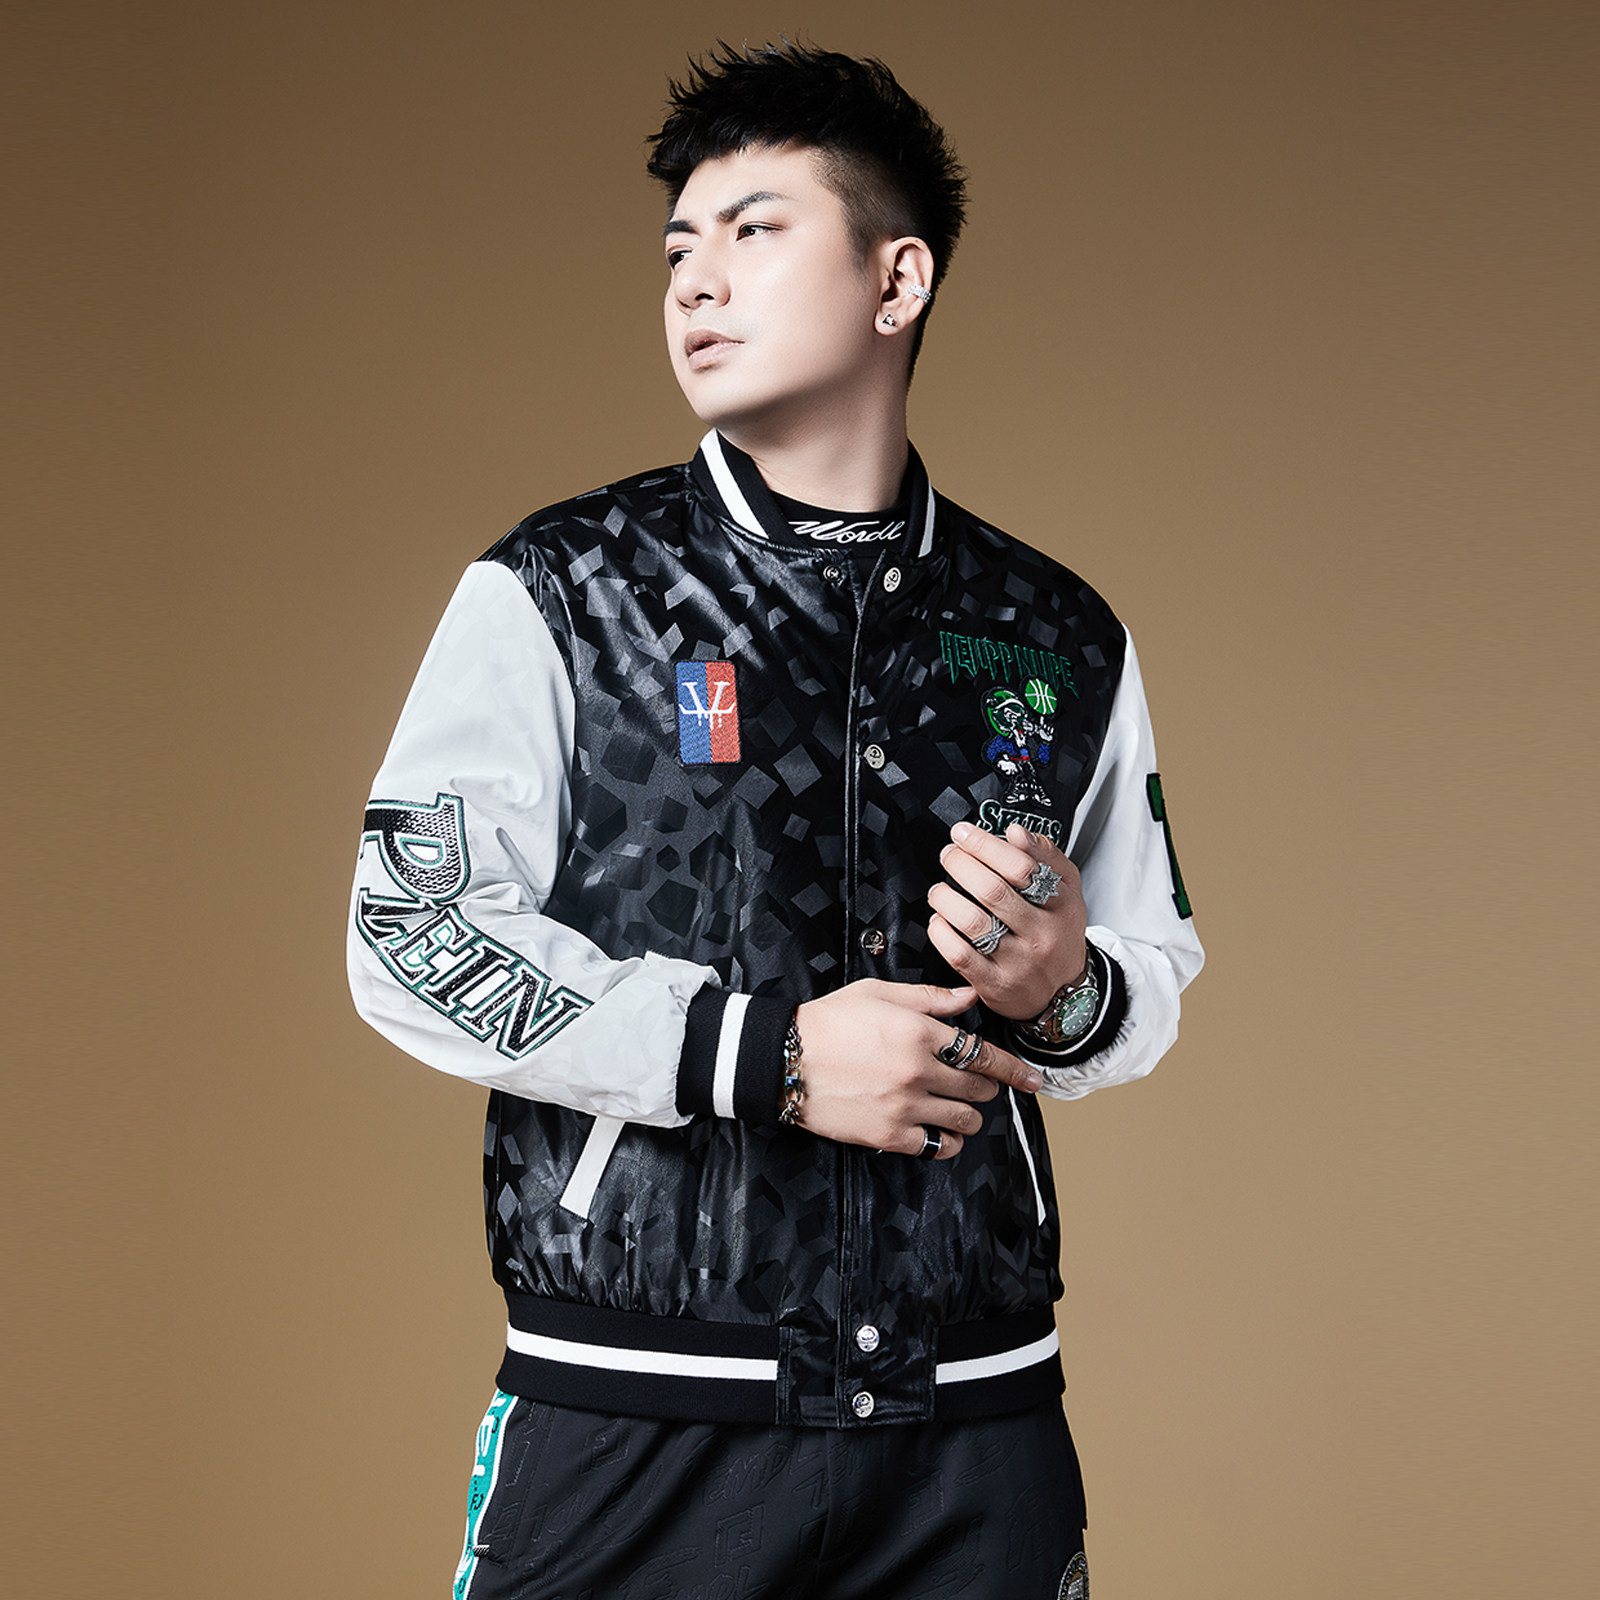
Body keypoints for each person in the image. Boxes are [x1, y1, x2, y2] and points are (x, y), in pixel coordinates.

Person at [348, 41, 1202, 1600]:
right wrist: (768, 1058)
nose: (696, 280)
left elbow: (1149, 968)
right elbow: (410, 932)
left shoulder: (1055, 629)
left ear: (897, 280)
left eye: (754, 231)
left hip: (977, 1429)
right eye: (680, 246)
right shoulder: (567, 590)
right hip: (642, 1420)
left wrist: (1063, 989)